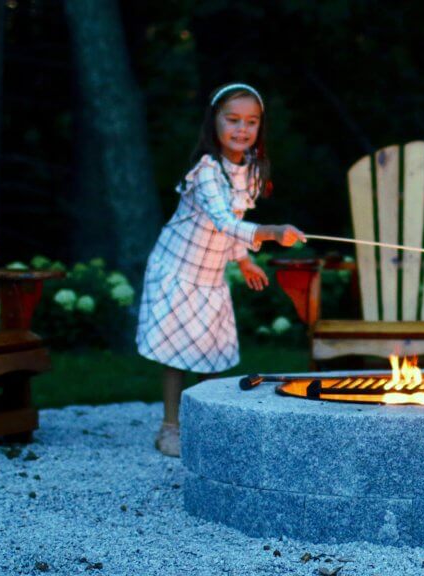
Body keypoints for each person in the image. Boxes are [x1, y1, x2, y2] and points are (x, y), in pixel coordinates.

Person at [136, 83, 304, 457]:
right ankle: (170, 427)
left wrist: (243, 259)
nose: (242, 129)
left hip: (210, 276)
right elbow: (223, 220)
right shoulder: (207, 171)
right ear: (214, 123)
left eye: (251, 122)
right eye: (233, 120)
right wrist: (272, 233)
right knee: (177, 353)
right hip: (178, 270)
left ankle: (207, 426)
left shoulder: (251, 170)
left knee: (210, 354)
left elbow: (236, 219)